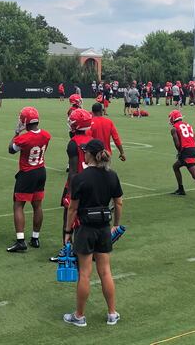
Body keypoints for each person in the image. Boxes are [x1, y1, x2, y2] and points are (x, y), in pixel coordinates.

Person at [62, 139, 123, 327]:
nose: (84, 154)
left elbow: (73, 208)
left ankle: (79, 316)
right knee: (105, 271)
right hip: (104, 227)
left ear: (90, 154)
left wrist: (67, 231)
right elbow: (119, 203)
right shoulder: (112, 175)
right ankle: (112, 313)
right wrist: (116, 224)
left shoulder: (80, 178)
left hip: (85, 228)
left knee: (85, 274)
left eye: (85, 151)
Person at [7, 107, 52, 252]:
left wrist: (16, 132)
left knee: (18, 205)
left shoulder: (23, 138)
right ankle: (35, 238)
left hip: (27, 173)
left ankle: (20, 241)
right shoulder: (46, 135)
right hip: (41, 170)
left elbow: (11, 149)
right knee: (37, 205)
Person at [59, 109, 93, 249]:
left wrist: (69, 192)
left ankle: (66, 249)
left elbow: (73, 171)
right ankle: (87, 249)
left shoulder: (73, 143)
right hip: (91, 183)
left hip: (77, 184)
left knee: (68, 218)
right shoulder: (92, 140)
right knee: (87, 218)